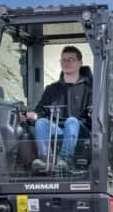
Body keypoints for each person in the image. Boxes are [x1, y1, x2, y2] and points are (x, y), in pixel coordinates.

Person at [23, 45, 91, 173]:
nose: (66, 63)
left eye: (71, 59)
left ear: (80, 63)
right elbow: (41, 111)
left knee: (71, 121)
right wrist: (31, 115)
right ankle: (45, 159)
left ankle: (65, 159)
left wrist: (92, 111)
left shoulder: (88, 88)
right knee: (41, 123)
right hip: (58, 129)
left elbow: (93, 110)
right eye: (63, 60)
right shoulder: (51, 89)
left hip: (81, 132)